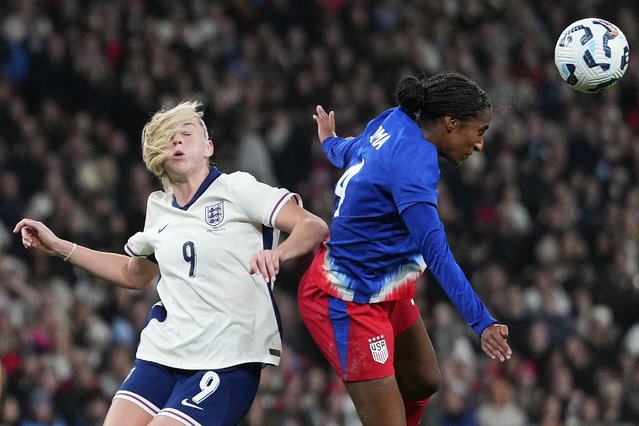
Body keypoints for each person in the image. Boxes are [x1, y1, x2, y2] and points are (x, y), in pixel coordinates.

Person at [14, 100, 329, 426]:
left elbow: (313, 226)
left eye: (186, 133)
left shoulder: (236, 188)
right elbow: (132, 273)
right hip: (162, 355)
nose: (177, 141)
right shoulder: (159, 208)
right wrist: (60, 247)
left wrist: (277, 253)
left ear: (208, 147)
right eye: (169, 137)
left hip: (227, 360)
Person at [298, 71, 512, 426]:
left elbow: (354, 151)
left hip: (384, 286)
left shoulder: (394, 120)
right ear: (451, 123)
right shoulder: (414, 166)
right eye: (479, 132)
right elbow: (437, 253)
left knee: (423, 380)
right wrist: (482, 322)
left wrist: (329, 141)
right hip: (346, 302)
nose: (479, 144)